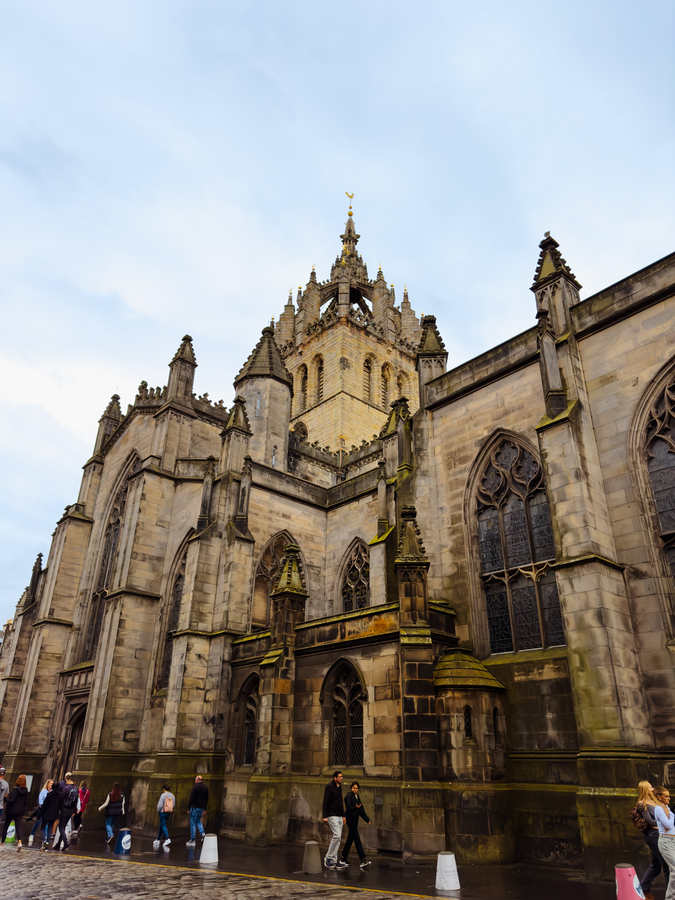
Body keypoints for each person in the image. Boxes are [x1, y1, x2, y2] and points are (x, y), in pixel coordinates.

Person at [637, 781, 669, 899]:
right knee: (666, 863)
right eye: (650, 787)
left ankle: (643, 889)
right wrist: (664, 823)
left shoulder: (655, 801)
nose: (652, 788)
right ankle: (672, 892)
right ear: (645, 789)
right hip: (653, 836)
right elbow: (650, 821)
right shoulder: (642, 803)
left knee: (656, 864)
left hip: (661, 834)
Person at [340, 781, 371, 868]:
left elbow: (361, 809)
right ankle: (362, 859)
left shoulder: (357, 797)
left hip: (355, 820)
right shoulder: (348, 796)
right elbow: (348, 808)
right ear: (351, 788)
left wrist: (366, 818)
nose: (355, 790)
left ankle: (343, 858)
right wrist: (355, 807)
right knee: (357, 839)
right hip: (350, 819)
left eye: (357, 788)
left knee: (350, 839)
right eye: (354, 788)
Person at [322, 770, 347, 869]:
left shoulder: (339, 787)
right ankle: (328, 857)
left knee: (338, 838)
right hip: (332, 815)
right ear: (335, 778)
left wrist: (343, 815)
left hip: (339, 815)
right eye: (340, 777)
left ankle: (334, 860)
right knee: (337, 835)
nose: (341, 778)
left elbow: (340, 802)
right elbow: (325, 801)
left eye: (342, 776)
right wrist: (325, 816)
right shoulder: (329, 787)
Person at [653, 785, 675, 900]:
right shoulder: (658, 808)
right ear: (659, 797)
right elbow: (668, 825)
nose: (669, 798)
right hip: (666, 842)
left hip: (672, 841)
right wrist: (672, 815)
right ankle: (670, 897)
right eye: (666, 796)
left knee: (673, 870)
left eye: (669, 796)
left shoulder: (665, 807)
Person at [0, 775, 29, 849]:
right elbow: (25, 802)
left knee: (6, 826)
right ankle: (19, 842)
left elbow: (12, 800)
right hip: (20, 811)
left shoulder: (15, 790)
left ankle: (2, 843)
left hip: (11, 810)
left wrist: (5, 798)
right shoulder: (26, 790)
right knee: (18, 826)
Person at [53, 774, 78, 852]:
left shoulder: (66, 788)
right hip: (71, 810)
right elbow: (76, 799)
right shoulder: (76, 788)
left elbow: (61, 798)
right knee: (63, 826)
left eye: (66, 780)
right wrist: (74, 809)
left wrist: (59, 808)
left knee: (61, 827)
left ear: (68, 780)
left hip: (65, 809)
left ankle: (65, 841)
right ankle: (58, 844)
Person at [38, 781, 62, 851]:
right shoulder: (60, 796)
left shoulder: (49, 795)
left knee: (42, 827)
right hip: (54, 814)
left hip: (46, 814)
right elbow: (60, 806)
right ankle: (48, 841)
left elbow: (44, 805)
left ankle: (44, 840)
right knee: (50, 828)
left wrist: (40, 814)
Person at [27, 779, 53, 846]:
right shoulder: (44, 791)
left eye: (52, 784)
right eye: (50, 783)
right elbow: (40, 800)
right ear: (47, 784)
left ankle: (46, 836)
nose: (51, 785)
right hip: (42, 809)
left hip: (48, 810)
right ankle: (32, 834)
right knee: (38, 822)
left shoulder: (52, 792)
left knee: (46, 824)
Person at [186, 776, 208, 847]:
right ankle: (202, 833)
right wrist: (205, 808)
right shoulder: (205, 788)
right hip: (201, 808)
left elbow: (191, 798)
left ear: (197, 780)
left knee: (192, 822)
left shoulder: (195, 788)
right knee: (198, 821)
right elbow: (206, 799)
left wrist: (188, 808)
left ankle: (193, 839)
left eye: (195, 779)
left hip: (195, 807)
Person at [153, 783, 175, 850]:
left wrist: (158, 810)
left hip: (162, 812)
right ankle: (158, 839)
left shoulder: (163, 795)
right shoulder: (172, 795)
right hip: (168, 812)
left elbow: (160, 805)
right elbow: (173, 804)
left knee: (163, 826)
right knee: (162, 825)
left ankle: (168, 838)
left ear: (164, 789)